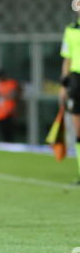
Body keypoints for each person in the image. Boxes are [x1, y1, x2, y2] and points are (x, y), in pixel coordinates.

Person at [59, 12, 80, 184]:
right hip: (76, 80)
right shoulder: (71, 30)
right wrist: (64, 86)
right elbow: (67, 58)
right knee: (78, 130)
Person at [0, 69, 21, 142]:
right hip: (0, 113)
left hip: (9, 113)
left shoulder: (11, 83)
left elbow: (16, 95)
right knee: (3, 133)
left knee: (10, 134)